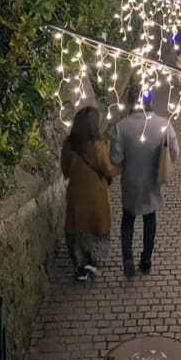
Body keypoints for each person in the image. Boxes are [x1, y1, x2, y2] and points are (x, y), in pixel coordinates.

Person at [110, 86, 179, 278]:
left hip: (130, 180)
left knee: (128, 219)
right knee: (150, 218)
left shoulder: (121, 126)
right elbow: (174, 152)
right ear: (150, 102)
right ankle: (146, 259)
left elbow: (115, 158)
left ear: (131, 102)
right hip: (152, 178)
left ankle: (127, 258)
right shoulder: (164, 124)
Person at [61, 104, 121, 282]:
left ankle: (79, 265)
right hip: (95, 193)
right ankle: (92, 260)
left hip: (76, 192)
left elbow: (65, 170)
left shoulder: (68, 145)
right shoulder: (97, 146)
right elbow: (108, 169)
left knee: (76, 227)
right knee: (96, 226)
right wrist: (120, 167)